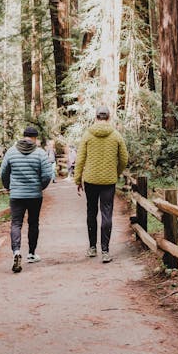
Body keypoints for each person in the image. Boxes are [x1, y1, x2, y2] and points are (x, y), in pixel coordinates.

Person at [74, 106, 128, 263]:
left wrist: (78, 179)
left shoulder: (87, 135)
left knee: (91, 212)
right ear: (109, 118)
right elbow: (124, 158)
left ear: (96, 117)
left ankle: (92, 248)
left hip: (90, 180)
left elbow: (80, 159)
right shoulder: (116, 135)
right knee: (106, 213)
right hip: (108, 182)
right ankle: (105, 251)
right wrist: (116, 172)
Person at [0, 126, 53, 273]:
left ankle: (16, 251)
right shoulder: (40, 153)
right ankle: (31, 253)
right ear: (35, 138)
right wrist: (39, 187)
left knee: (16, 223)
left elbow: (3, 172)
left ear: (23, 136)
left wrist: (8, 186)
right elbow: (48, 175)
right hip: (34, 195)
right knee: (33, 223)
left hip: (16, 195)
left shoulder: (11, 151)